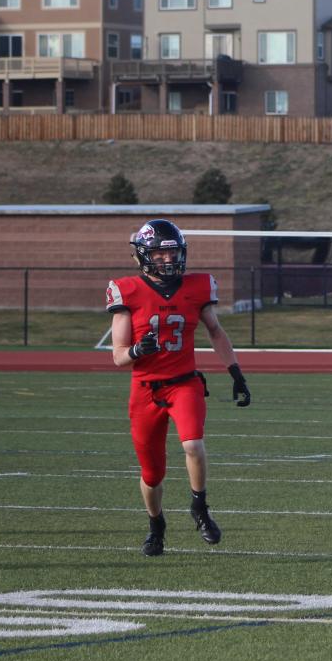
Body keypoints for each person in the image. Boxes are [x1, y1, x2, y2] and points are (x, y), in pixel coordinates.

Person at [106, 218, 251, 557]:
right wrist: (138, 350)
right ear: (144, 256)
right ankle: (156, 524)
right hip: (145, 389)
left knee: (193, 444)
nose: (168, 261)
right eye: (159, 254)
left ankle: (199, 506)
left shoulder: (198, 287)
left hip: (184, 383)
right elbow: (118, 357)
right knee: (152, 474)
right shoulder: (127, 290)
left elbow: (214, 331)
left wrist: (236, 372)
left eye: (172, 254)